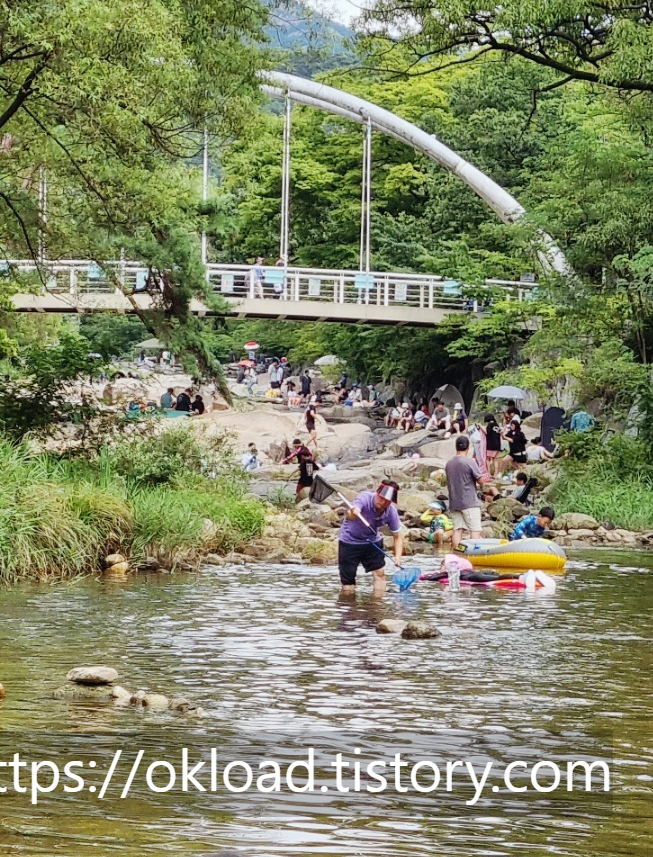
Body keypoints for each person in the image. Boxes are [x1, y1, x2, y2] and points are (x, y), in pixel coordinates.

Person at [338, 481, 403, 595]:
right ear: (377, 493)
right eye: (381, 498)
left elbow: (397, 536)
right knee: (348, 582)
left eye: (387, 501)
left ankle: (378, 603)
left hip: (372, 541)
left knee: (380, 573)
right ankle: (348, 603)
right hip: (349, 542)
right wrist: (353, 513)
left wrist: (397, 557)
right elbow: (349, 515)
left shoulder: (391, 512)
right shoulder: (364, 498)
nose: (383, 502)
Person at [445, 435, 484, 549]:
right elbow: (481, 481)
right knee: (475, 530)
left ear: (456, 447)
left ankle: (456, 553)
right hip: (469, 502)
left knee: (457, 530)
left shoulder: (449, 463)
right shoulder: (469, 462)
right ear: (468, 447)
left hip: (454, 502)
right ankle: (474, 554)